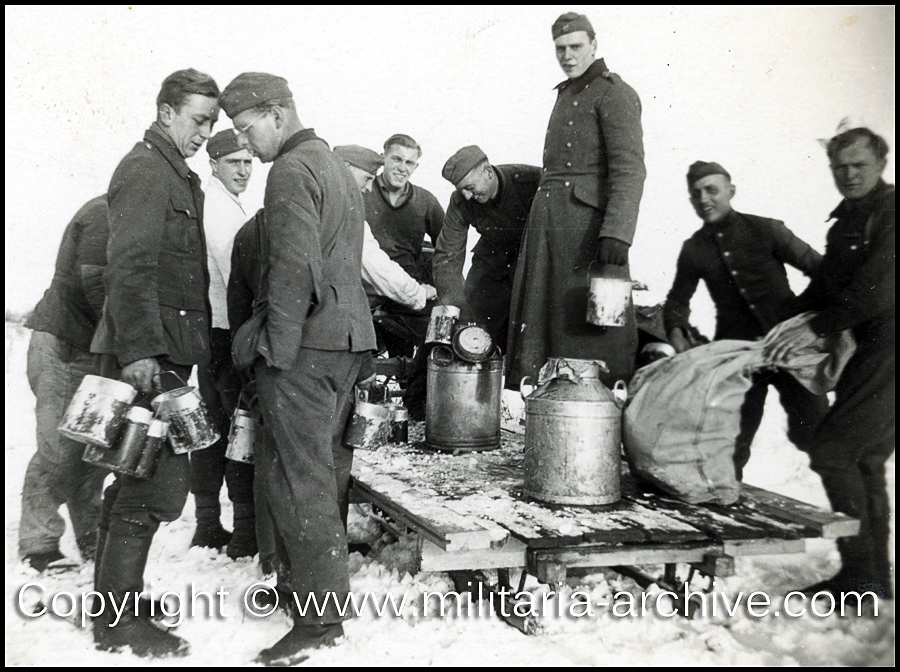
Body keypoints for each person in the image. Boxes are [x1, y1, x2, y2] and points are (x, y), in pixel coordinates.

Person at [220, 72, 376, 666]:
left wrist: (273, 352)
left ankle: (319, 623)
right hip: (342, 344)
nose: (248, 145)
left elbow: (292, 268)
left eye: (246, 129)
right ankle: (306, 591)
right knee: (319, 474)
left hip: (304, 351)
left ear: (276, 115)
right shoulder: (332, 163)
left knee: (296, 479)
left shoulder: (290, 169)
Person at [90, 68, 220, 657]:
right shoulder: (147, 170)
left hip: (167, 351)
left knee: (136, 476)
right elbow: (131, 266)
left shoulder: (172, 171)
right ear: (166, 112)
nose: (205, 132)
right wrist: (139, 351)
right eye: (198, 119)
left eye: (212, 122)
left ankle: (116, 599)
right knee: (156, 486)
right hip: (152, 355)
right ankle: (118, 621)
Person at [766, 125, 894, 601]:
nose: (849, 174)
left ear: (881, 163)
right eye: (839, 167)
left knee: (834, 453)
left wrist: (815, 327)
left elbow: (878, 290)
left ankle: (861, 577)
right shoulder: (845, 222)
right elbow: (824, 290)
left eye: (859, 165)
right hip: (870, 351)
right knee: (865, 461)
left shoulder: (891, 211)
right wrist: (777, 325)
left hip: (890, 351)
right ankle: (875, 580)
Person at [506, 12, 646, 390]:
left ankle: (594, 409)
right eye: (560, 49)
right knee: (546, 321)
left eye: (576, 47)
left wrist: (617, 233)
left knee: (588, 322)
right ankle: (553, 408)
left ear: (594, 45)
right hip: (550, 225)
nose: (567, 56)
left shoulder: (614, 92)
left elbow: (629, 170)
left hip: (587, 232)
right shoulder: (566, 94)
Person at [664, 161, 829, 478]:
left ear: (731, 191)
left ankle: (854, 517)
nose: (704, 199)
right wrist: (675, 329)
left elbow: (820, 269)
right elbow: (677, 299)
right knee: (730, 447)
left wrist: (804, 317)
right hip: (737, 356)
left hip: (789, 348)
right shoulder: (694, 249)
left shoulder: (766, 229)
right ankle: (725, 515)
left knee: (818, 435)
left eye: (712, 189)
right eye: (696, 193)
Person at [19, 196, 109, 573]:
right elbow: (95, 283)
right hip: (61, 345)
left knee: (91, 450)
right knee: (57, 450)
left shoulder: (132, 214)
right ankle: (38, 544)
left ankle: (92, 538)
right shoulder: (103, 214)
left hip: (93, 346)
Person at [189, 130, 256, 558]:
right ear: (214, 164)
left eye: (249, 162)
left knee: (214, 431)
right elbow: (240, 275)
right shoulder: (219, 210)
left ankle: (208, 523)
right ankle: (245, 533)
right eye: (234, 163)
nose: (244, 171)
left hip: (213, 334)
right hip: (227, 334)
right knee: (241, 430)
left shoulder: (222, 204)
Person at [434, 145, 540, 348]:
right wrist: (459, 307)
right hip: (493, 264)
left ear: (488, 172)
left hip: (532, 262)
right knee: (465, 333)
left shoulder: (532, 181)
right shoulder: (460, 202)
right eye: (461, 189)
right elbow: (447, 258)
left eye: (470, 187)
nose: (466, 196)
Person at [334, 144, 437, 311]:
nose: (368, 187)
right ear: (345, 167)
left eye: (409, 162)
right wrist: (417, 293)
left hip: (392, 286)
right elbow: (371, 261)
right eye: (367, 178)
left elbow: (446, 248)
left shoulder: (425, 199)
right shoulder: (342, 206)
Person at [363, 133, 445, 285]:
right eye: (396, 159)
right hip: (369, 283)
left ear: (416, 166)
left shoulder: (426, 200)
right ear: (383, 158)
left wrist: (424, 274)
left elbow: (449, 246)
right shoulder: (362, 191)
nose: (402, 168)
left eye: (409, 163)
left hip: (410, 285)